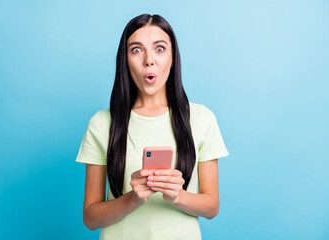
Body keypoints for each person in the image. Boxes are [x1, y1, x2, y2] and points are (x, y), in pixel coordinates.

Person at [75, 13, 229, 240]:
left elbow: (212, 206)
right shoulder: (102, 123)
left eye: (160, 48)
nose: (149, 60)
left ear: (173, 57)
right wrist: (133, 199)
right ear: (125, 60)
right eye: (136, 50)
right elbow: (90, 218)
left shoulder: (201, 118)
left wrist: (178, 195)